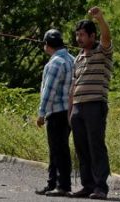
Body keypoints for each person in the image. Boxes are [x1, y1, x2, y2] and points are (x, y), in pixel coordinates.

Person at [69, 7, 113, 200]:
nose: (78, 38)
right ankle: (87, 185)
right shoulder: (78, 58)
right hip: (78, 108)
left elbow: (106, 37)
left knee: (96, 146)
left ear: (92, 36)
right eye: (77, 34)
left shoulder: (102, 51)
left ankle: (100, 187)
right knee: (81, 148)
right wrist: (70, 111)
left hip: (95, 105)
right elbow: (74, 86)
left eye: (82, 35)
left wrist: (100, 19)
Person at [35, 28, 74, 197]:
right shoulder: (72, 59)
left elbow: (49, 91)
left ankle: (62, 185)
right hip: (69, 110)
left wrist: (41, 113)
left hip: (56, 111)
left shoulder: (55, 62)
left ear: (47, 44)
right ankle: (52, 183)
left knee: (58, 150)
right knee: (58, 148)